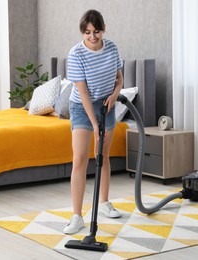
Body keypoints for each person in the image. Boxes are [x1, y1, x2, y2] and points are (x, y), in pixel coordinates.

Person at [63, 9, 124, 235]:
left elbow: (119, 80)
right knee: (79, 159)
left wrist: (116, 94)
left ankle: (105, 203)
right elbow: (83, 92)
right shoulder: (76, 54)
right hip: (82, 107)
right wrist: (95, 125)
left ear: (103, 30)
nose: (92, 37)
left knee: (103, 156)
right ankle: (77, 216)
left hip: (106, 105)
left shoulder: (113, 48)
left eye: (96, 32)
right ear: (83, 32)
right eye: (87, 32)